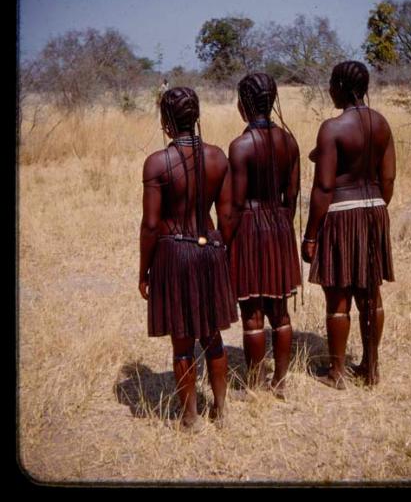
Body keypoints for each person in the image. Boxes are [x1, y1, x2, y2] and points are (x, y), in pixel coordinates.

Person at [139, 86, 238, 429]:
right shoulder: (218, 158)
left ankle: (191, 418)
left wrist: (144, 270)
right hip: (210, 247)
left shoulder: (156, 163)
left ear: (166, 121)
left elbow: (151, 225)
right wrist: (221, 255)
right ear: (196, 117)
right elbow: (226, 218)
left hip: (173, 251)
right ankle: (222, 411)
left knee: (182, 342)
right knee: (213, 336)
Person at [302, 61, 395, 389]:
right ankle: (371, 367)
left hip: (341, 212)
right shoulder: (381, 124)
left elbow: (324, 187)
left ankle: (337, 372)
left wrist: (311, 234)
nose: (329, 89)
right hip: (374, 210)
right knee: (371, 293)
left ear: (341, 86)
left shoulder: (332, 128)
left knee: (338, 296)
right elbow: (388, 178)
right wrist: (373, 211)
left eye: (331, 83)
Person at [229, 72, 301, 399]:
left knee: (253, 314)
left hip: (250, 228)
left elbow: (236, 202)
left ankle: (256, 384)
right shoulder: (290, 141)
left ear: (244, 106)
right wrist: (281, 227)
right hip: (280, 226)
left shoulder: (241, 146)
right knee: (280, 311)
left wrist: (225, 239)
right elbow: (293, 195)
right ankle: (280, 382)